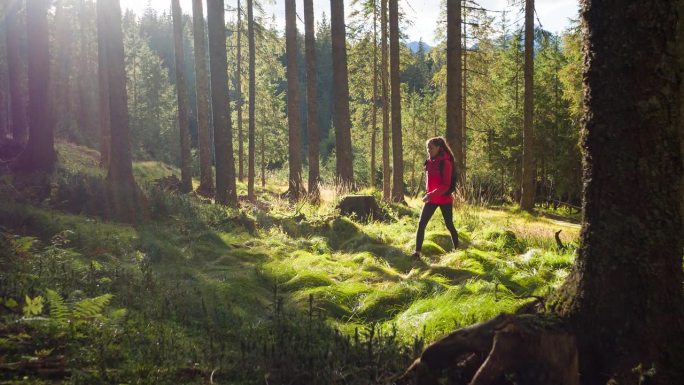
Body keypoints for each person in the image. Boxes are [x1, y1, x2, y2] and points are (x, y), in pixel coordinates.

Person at [412, 137, 459, 259]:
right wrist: (428, 194)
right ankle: (417, 253)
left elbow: (445, 185)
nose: (428, 150)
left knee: (449, 225)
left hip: (444, 199)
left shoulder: (446, 163)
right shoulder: (429, 161)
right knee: (421, 224)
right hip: (431, 199)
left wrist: (430, 195)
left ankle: (457, 250)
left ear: (439, 148)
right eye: (427, 148)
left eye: (431, 147)